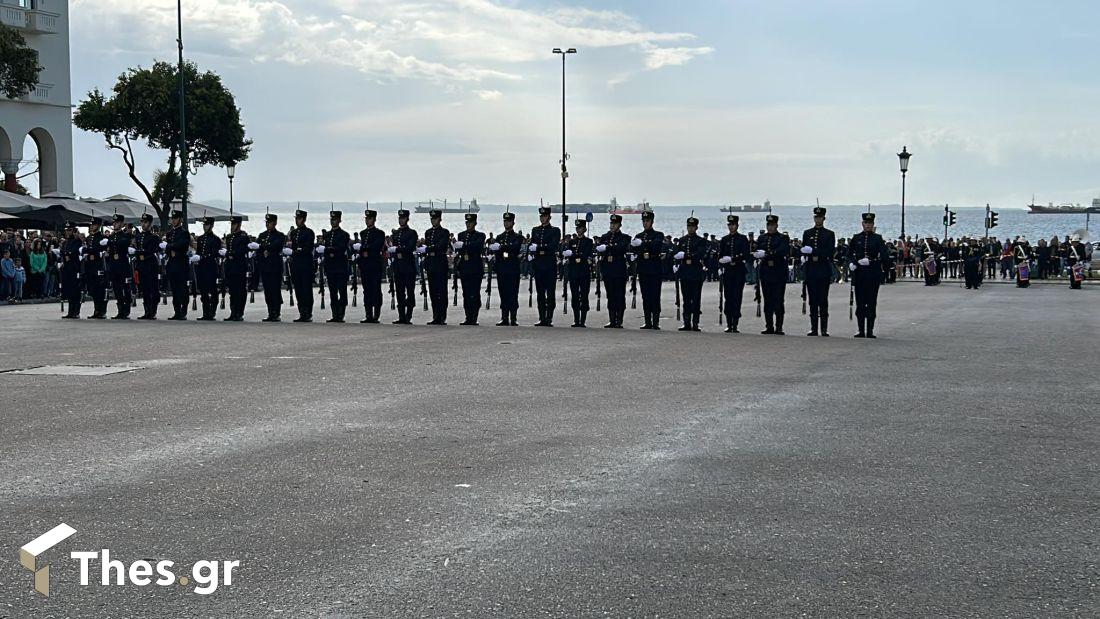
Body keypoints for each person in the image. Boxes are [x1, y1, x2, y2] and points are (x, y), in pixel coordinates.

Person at [848, 212, 887, 338]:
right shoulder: (856, 238)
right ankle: (860, 330)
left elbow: (884, 257)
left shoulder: (877, 238)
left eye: (870, 223)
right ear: (862, 224)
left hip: (872, 275)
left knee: (871, 303)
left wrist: (872, 262)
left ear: (873, 224)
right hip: (859, 275)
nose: (868, 225)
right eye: (866, 223)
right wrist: (852, 263)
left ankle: (870, 330)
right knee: (860, 303)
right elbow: (849, 254)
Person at [801, 207, 835, 336]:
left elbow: (830, 252)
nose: (818, 219)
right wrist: (803, 253)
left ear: (824, 218)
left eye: (820, 217)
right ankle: (814, 328)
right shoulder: (807, 233)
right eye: (816, 217)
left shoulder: (829, 234)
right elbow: (804, 248)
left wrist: (814, 252)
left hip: (823, 270)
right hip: (811, 270)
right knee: (812, 300)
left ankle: (824, 328)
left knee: (823, 300)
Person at [753, 214, 790, 335]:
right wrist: (757, 255)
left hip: (778, 272)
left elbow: (782, 251)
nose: (770, 227)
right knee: (767, 300)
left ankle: (779, 326)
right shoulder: (762, 238)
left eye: (772, 225)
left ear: (776, 225)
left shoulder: (782, 238)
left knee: (778, 300)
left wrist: (766, 253)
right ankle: (769, 326)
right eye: (768, 225)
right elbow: (758, 250)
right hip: (766, 272)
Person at [673, 216, 709, 331]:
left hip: (695, 272)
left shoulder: (700, 241)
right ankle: (686, 322)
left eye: (692, 227)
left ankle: (695, 323)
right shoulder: (682, 240)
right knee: (686, 299)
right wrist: (676, 263)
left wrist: (686, 255)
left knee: (696, 299)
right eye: (689, 226)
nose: (690, 228)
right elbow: (676, 253)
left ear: (696, 227)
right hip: (684, 272)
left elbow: (700, 254)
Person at [716, 215, 751, 333]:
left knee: (737, 297)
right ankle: (729, 323)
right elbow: (720, 255)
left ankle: (735, 323)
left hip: (738, 272)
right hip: (728, 273)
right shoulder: (724, 239)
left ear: (737, 225)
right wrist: (720, 264)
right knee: (728, 297)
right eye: (729, 225)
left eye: (733, 225)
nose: (731, 227)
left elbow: (745, 254)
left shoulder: (742, 239)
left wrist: (732, 259)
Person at [596, 213, 631, 328]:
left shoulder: (625, 238)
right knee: (610, 295)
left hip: (619, 270)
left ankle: (619, 319)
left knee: (619, 295)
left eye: (615, 224)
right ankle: (612, 319)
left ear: (620, 225)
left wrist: (608, 247)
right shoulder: (605, 237)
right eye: (611, 223)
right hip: (608, 270)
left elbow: (621, 248)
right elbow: (599, 248)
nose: (612, 226)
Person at [529, 206, 562, 326]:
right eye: (541, 216)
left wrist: (538, 248)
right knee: (540, 293)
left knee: (550, 293)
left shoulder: (555, 230)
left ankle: (549, 317)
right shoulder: (535, 230)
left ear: (549, 217)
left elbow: (553, 246)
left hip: (549, 265)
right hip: (539, 265)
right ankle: (542, 317)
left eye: (545, 216)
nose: (542, 218)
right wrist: (531, 252)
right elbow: (532, 244)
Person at [490, 211, 523, 326]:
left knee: (513, 293)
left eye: (508, 221)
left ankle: (513, 317)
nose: (506, 223)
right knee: (503, 293)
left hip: (513, 269)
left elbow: (515, 248)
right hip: (502, 269)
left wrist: (502, 248)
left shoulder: (518, 237)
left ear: (513, 223)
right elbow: (498, 252)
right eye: (505, 221)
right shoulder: (500, 237)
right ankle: (504, 317)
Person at [633, 211, 665, 329]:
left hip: (655, 269)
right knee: (645, 296)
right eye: (644, 221)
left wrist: (641, 244)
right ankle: (647, 321)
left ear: (652, 222)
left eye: (647, 221)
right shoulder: (639, 236)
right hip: (643, 269)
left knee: (655, 295)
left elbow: (656, 247)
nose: (645, 223)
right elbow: (634, 249)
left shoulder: (658, 235)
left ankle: (655, 321)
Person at [419, 209, 451, 325]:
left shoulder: (444, 232)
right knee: (433, 292)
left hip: (440, 263)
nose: (434, 221)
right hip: (431, 264)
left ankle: (442, 316)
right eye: (432, 219)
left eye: (435, 219)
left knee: (441, 292)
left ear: (440, 219)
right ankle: (435, 315)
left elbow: (441, 246)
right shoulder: (428, 232)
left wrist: (427, 249)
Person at [453, 213, 486, 326]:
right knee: (466, 293)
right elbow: (460, 250)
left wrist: (464, 245)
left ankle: (474, 316)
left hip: (475, 267)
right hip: (465, 267)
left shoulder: (480, 235)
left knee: (474, 293)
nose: (469, 224)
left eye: (471, 222)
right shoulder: (461, 235)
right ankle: (468, 316)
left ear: (475, 223)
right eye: (467, 222)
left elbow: (476, 246)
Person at [355, 208, 386, 323]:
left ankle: (376, 314)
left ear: (374, 220)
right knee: (366, 290)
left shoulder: (379, 233)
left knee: (376, 289)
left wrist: (364, 248)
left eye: (370, 219)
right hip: (365, 265)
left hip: (375, 265)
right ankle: (368, 314)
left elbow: (376, 247)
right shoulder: (363, 233)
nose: (368, 221)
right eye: (366, 219)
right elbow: (365, 249)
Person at [562, 217, 594, 327]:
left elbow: (586, 254)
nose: (578, 230)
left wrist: (574, 254)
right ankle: (576, 319)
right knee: (574, 295)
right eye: (577, 228)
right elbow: (568, 253)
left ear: (584, 229)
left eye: (580, 228)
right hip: (573, 271)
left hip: (584, 271)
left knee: (584, 295)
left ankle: (583, 320)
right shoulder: (572, 241)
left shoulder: (588, 241)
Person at [255, 213, 287, 321]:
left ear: (275, 223)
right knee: (267, 291)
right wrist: (263, 251)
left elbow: (276, 247)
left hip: (275, 267)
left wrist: (264, 248)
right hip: (265, 267)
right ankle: (270, 312)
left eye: (270, 222)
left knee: (275, 290)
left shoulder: (280, 235)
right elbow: (258, 250)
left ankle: (276, 312)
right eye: (267, 222)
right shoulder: (262, 235)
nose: (268, 224)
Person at [388, 209, 418, 324]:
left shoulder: (412, 233)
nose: (401, 220)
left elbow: (410, 247)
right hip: (398, 266)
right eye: (400, 218)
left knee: (410, 292)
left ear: (407, 219)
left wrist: (397, 249)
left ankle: (408, 315)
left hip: (408, 266)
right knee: (399, 292)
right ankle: (401, 316)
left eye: (403, 218)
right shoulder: (396, 233)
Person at [321, 210, 352, 323]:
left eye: (335, 220)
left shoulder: (344, 234)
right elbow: (328, 250)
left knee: (342, 291)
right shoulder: (328, 235)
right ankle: (335, 314)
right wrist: (329, 251)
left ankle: (341, 313)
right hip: (330, 267)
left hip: (340, 267)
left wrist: (329, 250)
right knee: (333, 291)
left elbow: (341, 248)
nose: (333, 221)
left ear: (339, 220)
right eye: (331, 220)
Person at [287, 209, 316, 322]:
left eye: (299, 219)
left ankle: (307, 313)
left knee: (306, 290)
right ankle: (301, 312)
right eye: (296, 218)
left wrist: (295, 252)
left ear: (303, 219)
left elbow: (307, 249)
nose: (297, 221)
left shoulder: (309, 232)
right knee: (298, 290)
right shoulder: (294, 233)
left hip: (306, 265)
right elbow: (294, 246)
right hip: (296, 266)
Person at [163, 210, 191, 320]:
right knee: (174, 289)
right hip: (172, 264)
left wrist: (171, 247)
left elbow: (182, 245)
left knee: (182, 288)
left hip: (181, 264)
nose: (173, 220)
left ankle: (183, 310)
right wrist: (171, 248)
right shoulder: (170, 233)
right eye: (172, 218)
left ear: (180, 220)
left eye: (176, 218)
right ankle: (177, 311)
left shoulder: (184, 233)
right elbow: (167, 250)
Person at [133, 213, 161, 319]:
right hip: (141, 265)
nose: (143, 224)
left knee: (152, 288)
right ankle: (146, 311)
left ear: (150, 224)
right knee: (144, 288)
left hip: (150, 264)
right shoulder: (139, 236)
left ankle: (152, 311)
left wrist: (139, 252)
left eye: (145, 222)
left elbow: (152, 250)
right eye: (142, 222)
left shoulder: (153, 237)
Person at [194, 217, 222, 320]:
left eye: (206, 225)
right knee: (203, 291)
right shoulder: (201, 239)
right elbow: (199, 252)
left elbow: (215, 253)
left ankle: (212, 311)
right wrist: (196, 257)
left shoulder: (215, 239)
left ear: (211, 225)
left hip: (211, 267)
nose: (205, 227)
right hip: (202, 267)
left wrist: (202, 257)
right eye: (204, 225)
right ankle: (206, 312)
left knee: (213, 290)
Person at [223, 215, 250, 321]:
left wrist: (231, 253)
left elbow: (241, 250)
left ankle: (239, 312)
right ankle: (233, 311)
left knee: (240, 291)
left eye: (234, 224)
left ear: (239, 225)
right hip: (230, 267)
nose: (232, 226)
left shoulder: (243, 236)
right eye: (231, 224)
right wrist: (228, 254)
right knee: (232, 291)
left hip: (239, 267)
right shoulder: (229, 237)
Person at [107, 214, 134, 319]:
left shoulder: (125, 235)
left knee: (125, 288)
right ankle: (120, 310)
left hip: (122, 265)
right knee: (116, 288)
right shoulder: (112, 236)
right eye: (113, 222)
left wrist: (109, 242)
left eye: (117, 222)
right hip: (114, 264)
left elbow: (122, 243)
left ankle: (126, 310)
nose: (114, 224)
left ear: (122, 224)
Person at [83, 218, 110, 319]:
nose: (91, 226)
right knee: (93, 289)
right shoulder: (89, 237)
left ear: (98, 226)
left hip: (99, 265)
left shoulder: (101, 238)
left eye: (94, 225)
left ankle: (102, 311)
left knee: (100, 289)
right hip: (91, 265)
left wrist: (92, 251)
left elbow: (103, 252)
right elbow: (87, 248)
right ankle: (96, 310)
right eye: (91, 225)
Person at [58, 222, 83, 319]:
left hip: (74, 268)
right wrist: (66, 253)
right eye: (66, 230)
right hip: (67, 269)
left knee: (75, 291)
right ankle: (70, 311)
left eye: (69, 230)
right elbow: (63, 252)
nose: (67, 232)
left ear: (73, 231)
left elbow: (75, 253)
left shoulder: (77, 241)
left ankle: (76, 311)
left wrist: (67, 253)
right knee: (69, 291)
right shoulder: (65, 242)